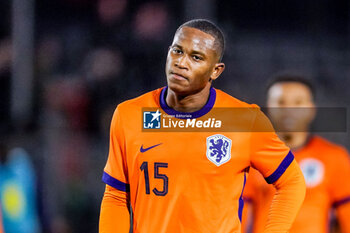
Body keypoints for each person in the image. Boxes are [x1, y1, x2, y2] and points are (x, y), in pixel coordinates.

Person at [99, 19, 306, 233]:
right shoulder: (130, 115)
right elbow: (116, 196)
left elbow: (292, 182)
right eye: (177, 51)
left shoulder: (244, 120)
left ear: (215, 71)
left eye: (196, 57)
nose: (181, 62)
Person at [242, 74, 350, 233]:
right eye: (281, 102)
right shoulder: (251, 157)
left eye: (298, 102)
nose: (289, 110)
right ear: (268, 108)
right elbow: (239, 213)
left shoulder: (334, 157)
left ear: (311, 109)